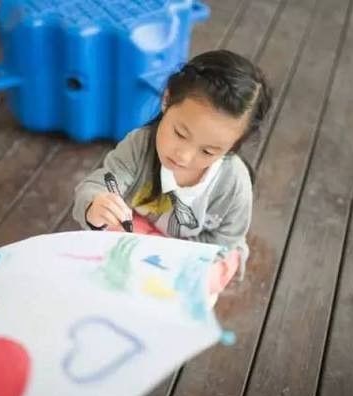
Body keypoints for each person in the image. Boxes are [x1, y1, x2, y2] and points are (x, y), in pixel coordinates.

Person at [73, 49, 272, 292]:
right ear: (167, 99)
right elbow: (99, 186)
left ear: (233, 147)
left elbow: (224, 243)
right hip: (140, 230)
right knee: (105, 228)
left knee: (212, 274)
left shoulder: (234, 184)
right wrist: (95, 204)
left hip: (196, 252)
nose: (184, 156)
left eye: (208, 152)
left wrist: (170, 257)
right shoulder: (140, 145)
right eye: (180, 133)